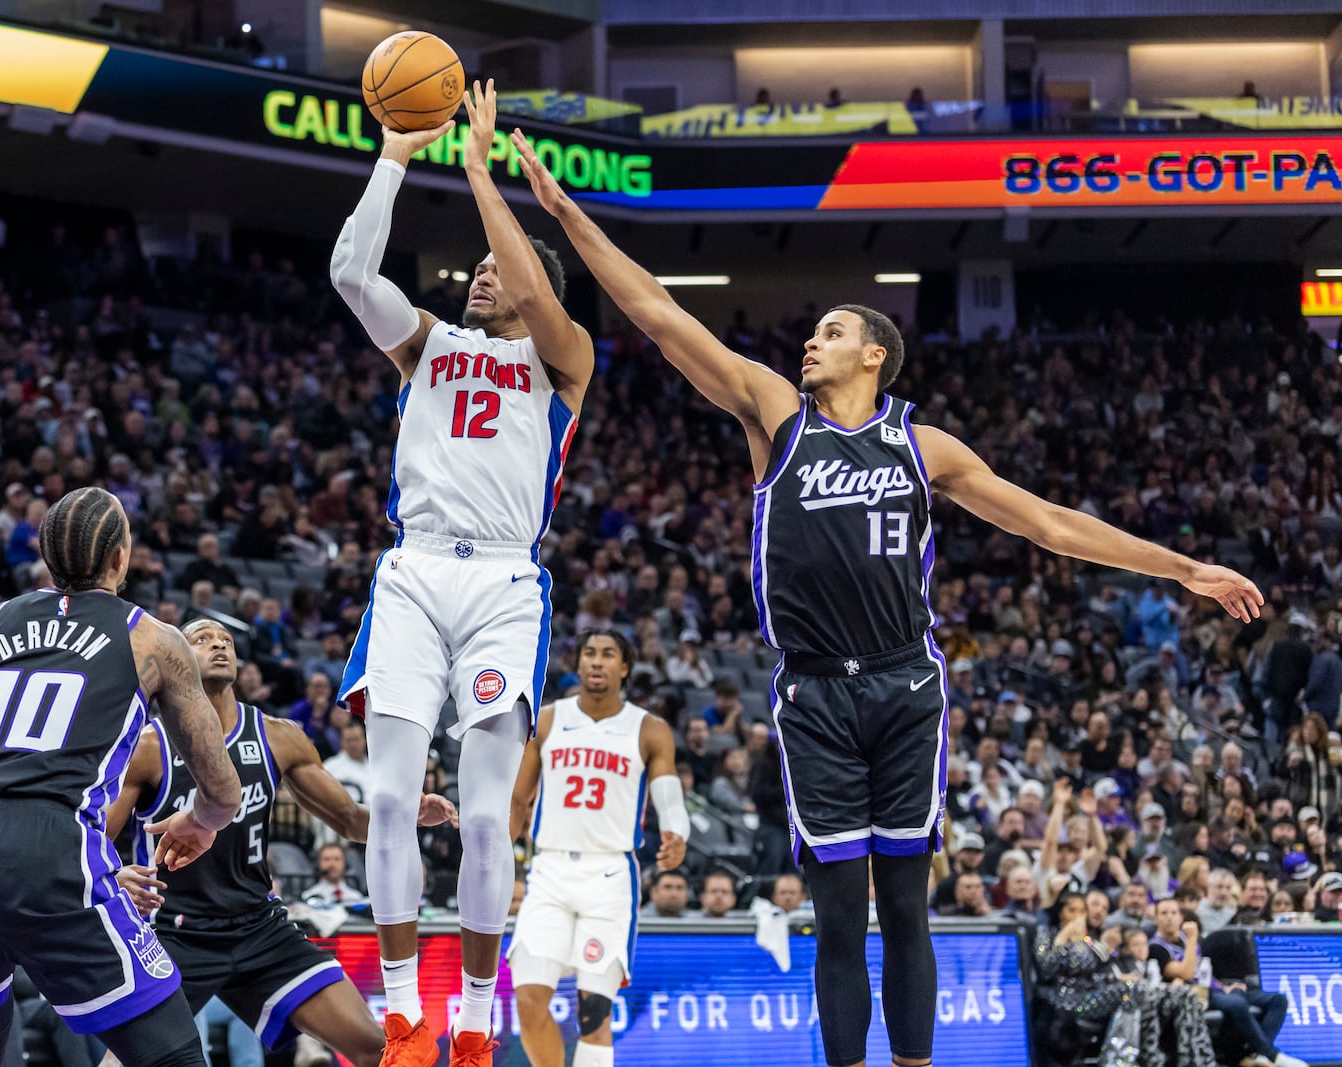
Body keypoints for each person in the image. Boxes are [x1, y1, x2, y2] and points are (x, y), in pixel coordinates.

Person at [510, 130, 1265, 1067]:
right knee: (836, 920)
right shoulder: (773, 418)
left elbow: (1049, 524)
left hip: (907, 687)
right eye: (811, 332)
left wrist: (1184, 569)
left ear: (873, 354)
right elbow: (659, 313)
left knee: (907, 908)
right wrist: (565, 213)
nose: (808, 342)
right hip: (815, 693)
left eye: (828, 332)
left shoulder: (923, 444)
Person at [328, 81, 594, 1067]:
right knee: (390, 798)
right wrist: (398, 154)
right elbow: (352, 272)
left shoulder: (564, 360)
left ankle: (476, 1022)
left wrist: (481, 172)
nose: (484, 275)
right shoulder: (428, 345)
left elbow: (533, 290)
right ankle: (406, 1014)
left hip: (500, 589)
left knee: (484, 813)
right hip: (413, 576)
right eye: (477, 266)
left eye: (500, 267)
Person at [0, 486, 244, 1067]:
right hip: (51, 848)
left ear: (46, 556)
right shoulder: (152, 638)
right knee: (174, 1054)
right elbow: (221, 792)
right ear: (120, 559)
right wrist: (199, 823)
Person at [107, 618, 454, 1067]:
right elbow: (90, 837)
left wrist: (406, 817)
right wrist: (113, 874)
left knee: (379, 1050)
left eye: (226, 641)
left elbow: (349, 820)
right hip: (172, 934)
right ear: (176, 656)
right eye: (202, 639)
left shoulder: (277, 735)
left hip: (258, 929)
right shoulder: (147, 746)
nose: (218, 646)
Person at [506, 630, 687, 1067]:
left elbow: (667, 791)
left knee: (595, 1015)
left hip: (609, 878)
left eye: (608, 654)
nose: (597, 662)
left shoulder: (650, 728)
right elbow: (517, 799)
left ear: (624, 667)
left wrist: (676, 831)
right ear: (578, 663)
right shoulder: (547, 721)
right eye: (589, 653)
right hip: (548, 872)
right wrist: (491, 852)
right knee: (528, 1000)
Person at [1035, 888, 1215, 1067]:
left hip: (1097, 991)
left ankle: (1198, 1059)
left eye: (1082, 911)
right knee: (1133, 990)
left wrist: (1116, 976)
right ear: (1059, 912)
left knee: (1182, 993)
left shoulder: (1088, 939)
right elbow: (1046, 969)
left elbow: (1100, 970)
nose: (1078, 916)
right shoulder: (1047, 933)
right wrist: (1065, 936)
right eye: (1071, 910)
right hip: (1069, 998)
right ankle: (1128, 1060)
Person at [1149, 897, 1304, 1067]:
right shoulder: (1157, 948)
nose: (1169, 917)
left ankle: (1256, 1054)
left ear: (1180, 917)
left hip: (1213, 988)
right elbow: (1186, 973)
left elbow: (1203, 969)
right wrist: (1193, 939)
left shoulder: (1185, 939)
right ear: (1156, 918)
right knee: (1237, 1004)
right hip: (1195, 996)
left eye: (1173, 913)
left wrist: (1224, 986)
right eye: (1164, 913)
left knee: (1278, 1000)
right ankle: (1271, 1055)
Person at [303, 842, 367, 907]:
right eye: (327, 859)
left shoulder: (357, 898)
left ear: (345, 863)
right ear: (318, 863)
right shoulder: (308, 898)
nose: (332, 864)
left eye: (337, 859)